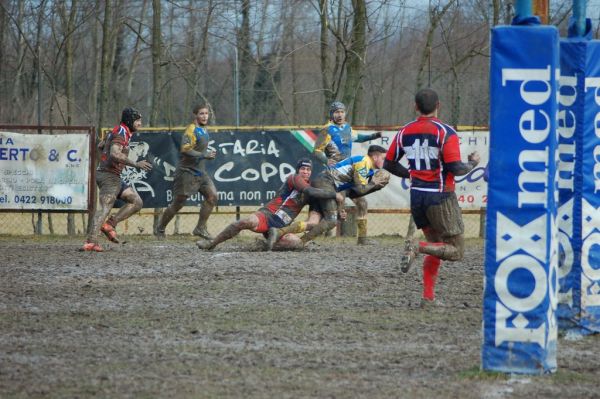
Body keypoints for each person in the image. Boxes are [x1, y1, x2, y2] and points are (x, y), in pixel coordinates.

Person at [383, 88, 480, 305]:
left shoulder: (404, 132)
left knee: (437, 245)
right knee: (456, 251)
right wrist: (473, 163)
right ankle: (417, 247)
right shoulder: (446, 132)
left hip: (417, 197)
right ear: (439, 105)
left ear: (415, 106)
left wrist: (411, 174)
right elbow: (455, 167)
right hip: (441, 198)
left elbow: (388, 163)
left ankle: (428, 297)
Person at [196, 158, 344, 251]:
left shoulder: (313, 193)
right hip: (267, 216)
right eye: (303, 168)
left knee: (296, 244)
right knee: (244, 222)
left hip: (281, 228)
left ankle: (263, 245)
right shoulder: (294, 178)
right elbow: (309, 191)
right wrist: (334, 194)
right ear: (298, 170)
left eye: (308, 169)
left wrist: (337, 214)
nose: (305, 171)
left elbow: (316, 217)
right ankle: (212, 243)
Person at [81, 107, 152, 251]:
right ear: (130, 120)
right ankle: (91, 241)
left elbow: (101, 146)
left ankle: (110, 225)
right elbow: (114, 153)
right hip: (108, 177)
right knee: (105, 207)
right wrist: (135, 164)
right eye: (137, 121)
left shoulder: (120, 130)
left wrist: (104, 161)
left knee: (136, 201)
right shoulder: (122, 132)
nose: (140, 124)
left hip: (113, 176)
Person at [313, 101, 383, 245]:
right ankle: (319, 237)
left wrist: (374, 136)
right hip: (336, 176)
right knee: (335, 211)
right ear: (331, 114)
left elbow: (359, 138)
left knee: (362, 203)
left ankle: (362, 239)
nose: (339, 115)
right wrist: (326, 161)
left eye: (342, 112)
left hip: (349, 175)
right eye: (336, 112)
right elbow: (317, 150)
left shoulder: (347, 128)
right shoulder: (327, 130)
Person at [296, 145, 391, 245]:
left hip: (341, 186)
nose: (385, 161)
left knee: (362, 204)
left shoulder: (369, 168)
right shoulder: (363, 162)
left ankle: (362, 238)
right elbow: (360, 190)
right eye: (383, 158)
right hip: (329, 183)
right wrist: (373, 184)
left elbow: (359, 190)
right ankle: (298, 240)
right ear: (375, 157)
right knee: (328, 219)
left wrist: (376, 186)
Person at [155, 104, 217, 240]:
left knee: (212, 197)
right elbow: (185, 149)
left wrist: (207, 155)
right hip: (187, 172)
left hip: (201, 173)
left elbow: (199, 150)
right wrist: (204, 155)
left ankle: (200, 228)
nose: (205, 116)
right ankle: (160, 228)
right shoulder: (191, 129)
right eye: (202, 113)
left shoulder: (204, 129)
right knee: (178, 203)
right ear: (195, 115)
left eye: (206, 113)